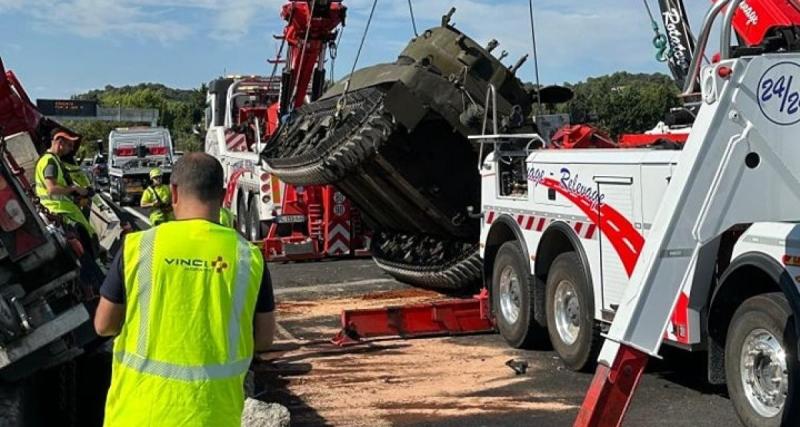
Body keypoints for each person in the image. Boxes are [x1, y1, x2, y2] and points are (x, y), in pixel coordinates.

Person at [94, 153, 275, 427]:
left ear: (174, 192)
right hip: (213, 416)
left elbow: (104, 325)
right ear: (225, 195)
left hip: (136, 415)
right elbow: (263, 339)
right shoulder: (248, 257)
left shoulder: (138, 247)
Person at [35, 129, 96, 239]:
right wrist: (74, 188)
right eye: (69, 145)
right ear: (60, 142)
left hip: (59, 208)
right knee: (89, 237)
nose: (72, 149)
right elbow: (52, 189)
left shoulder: (53, 160)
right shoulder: (50, 161)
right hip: (61, 210)